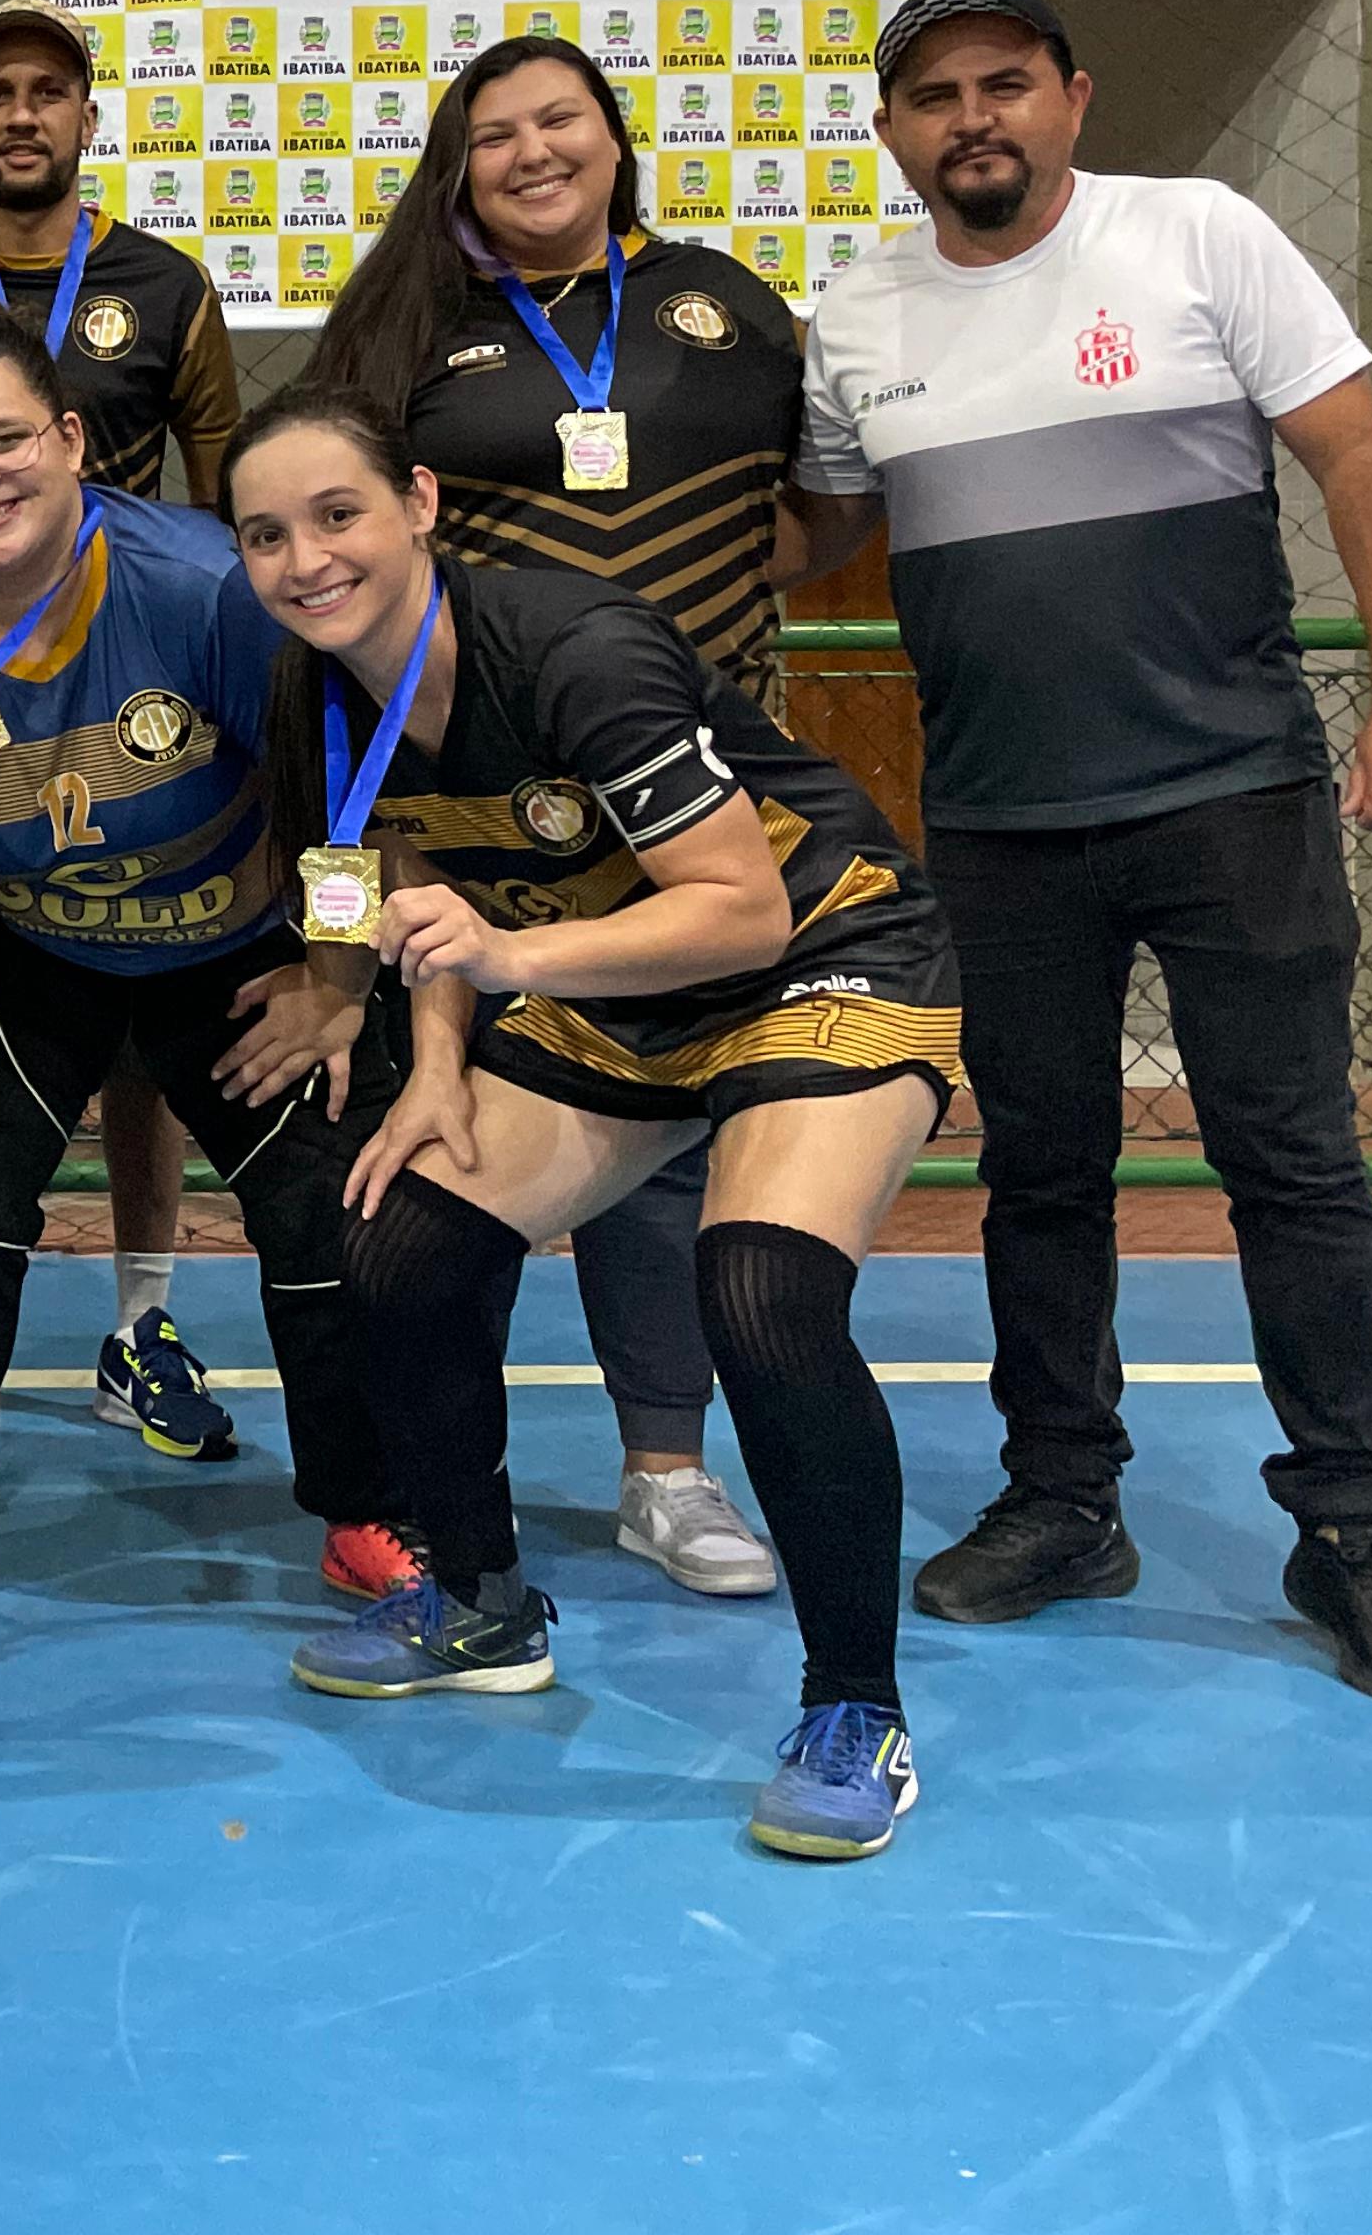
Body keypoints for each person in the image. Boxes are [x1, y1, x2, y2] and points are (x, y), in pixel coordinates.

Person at [783, 0, 1372, 1705]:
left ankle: (1357, 1533)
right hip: (1005, 822)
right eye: (934, 98)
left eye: (1003, 83)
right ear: (891, 136)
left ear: (1073, 95)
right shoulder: (856, 317)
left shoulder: (1201, 236)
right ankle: (1063, 1503)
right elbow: (806, 538)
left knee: (1295, 1173)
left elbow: (1369, 463)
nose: (973, 121)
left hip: (1233, 794)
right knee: (1044, 1181)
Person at [232, 386, 948, 1860]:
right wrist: (438, 1058)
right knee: (400, 1239)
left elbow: (739, 906)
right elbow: (419, 845)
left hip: (819, 949)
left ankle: (854, 1708)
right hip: (616, 974)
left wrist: (507, 968)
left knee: (761, 1287)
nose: (305, 559)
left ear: (421, 502)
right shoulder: (336, 674)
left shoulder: (575, 648)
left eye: (337, 514)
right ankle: (483, 1606)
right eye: (264, 533)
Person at [299, 34, 787, 1600]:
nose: (530, 153)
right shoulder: (414, 336)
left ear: (613, 136)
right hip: (505, 809)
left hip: (694, 793)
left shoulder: (726, 305)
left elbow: (819, 509)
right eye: (492, 133)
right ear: (458, 165)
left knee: (663, 1143)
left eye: (558, 120)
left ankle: (667, 1468)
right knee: (474, 1139)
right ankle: (450, 1504)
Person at [0, 314, 398, 1634]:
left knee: (330, 1203)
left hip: (242, 951)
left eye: (7, 440)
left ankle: (373, 1511)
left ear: (73, 440)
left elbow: (360, 806)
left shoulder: (203, 589)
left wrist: (340, 981)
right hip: (35, 949)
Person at [0, 0, 247, 1463]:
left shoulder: (169, 285)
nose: (23, 115)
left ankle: (141, 1321)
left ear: (87, 118)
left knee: (150, 1035)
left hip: (139, 691)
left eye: (49, 93)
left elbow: (220, 486)